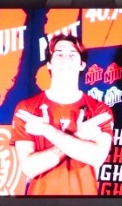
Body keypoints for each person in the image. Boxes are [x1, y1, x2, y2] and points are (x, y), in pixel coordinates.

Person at [12, 33, 114, 196]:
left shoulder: (99, 110)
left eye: (72, 54)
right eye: (59, 54)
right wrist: (79, 136)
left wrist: (46, 130)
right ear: (49, 65)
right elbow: (30, 168)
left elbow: (96, 157)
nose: (65, 59)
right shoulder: (27, 108)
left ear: (82, 64)